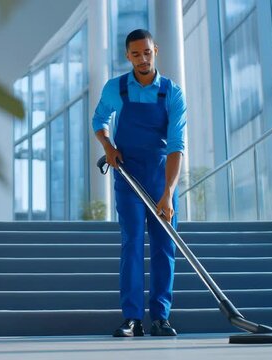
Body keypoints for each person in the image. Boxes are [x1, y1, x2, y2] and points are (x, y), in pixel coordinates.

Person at [92, 29, 186, 337]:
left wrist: (169, 193)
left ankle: (161, 318)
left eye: (147, 52)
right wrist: (109, 147)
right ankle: (132, 318)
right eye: (136, 54)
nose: (142, 59)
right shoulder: (115, 88)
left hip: (161, 174)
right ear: (127, 56)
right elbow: (99, 121)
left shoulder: (172, 92)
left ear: (155, 50)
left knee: (164, 246)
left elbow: (176, 145)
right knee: (131, 243)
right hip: (128, 174)